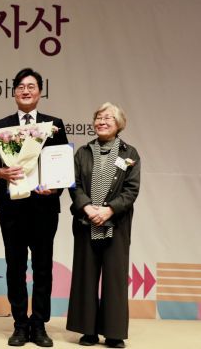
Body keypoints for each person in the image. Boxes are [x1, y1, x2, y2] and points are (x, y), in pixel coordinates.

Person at [0, 68, 68, 347]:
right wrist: (0, 173)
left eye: (31, 86)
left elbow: (61, 163)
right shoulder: (1, 126)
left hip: (43, 207)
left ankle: (39, 324)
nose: (26, 91)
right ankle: (20, 324)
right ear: (14, 92)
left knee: (43, 267)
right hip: (12, 208)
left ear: (40, 92)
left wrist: (56, 187)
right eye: (21, 87)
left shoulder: (54, 124)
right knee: (15, 267)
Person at [67, 103, 140, 348]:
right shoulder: (83, 152)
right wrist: (88, 208)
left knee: (114, 278)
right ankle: (88, 331)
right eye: (99, 117)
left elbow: (131, 190)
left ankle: (113, 333)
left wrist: (109, 210)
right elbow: (74, 185)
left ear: (119, 124)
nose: (102, 121)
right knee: (85, 276)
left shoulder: (130, 153)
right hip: (86, 221)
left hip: (116, 223)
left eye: (108, 118)